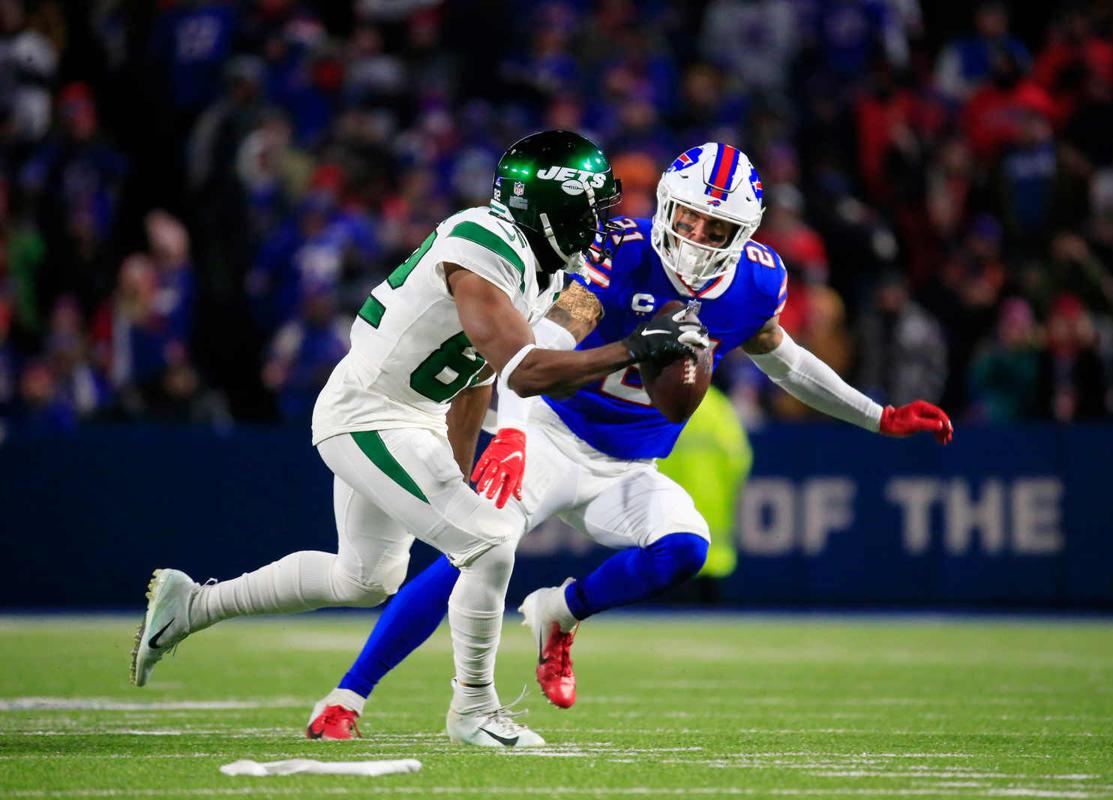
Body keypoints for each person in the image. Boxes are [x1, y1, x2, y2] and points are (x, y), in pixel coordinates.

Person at [303, 143, 954, 740]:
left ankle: (560, 613)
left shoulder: (757, 282)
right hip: (555, 433)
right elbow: (538, 349)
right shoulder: (619, 248)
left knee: (685, 549)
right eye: (688, 218)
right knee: (471, 550)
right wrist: (514, 436)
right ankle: (347, 696)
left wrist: (880, 416)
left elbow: (786, 362)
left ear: (743, 235)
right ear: (667, 206)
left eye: (715, 227)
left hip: (630, 462)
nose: (696, 237)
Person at [129, 130, 709, 750]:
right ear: (549, 206)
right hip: (371, 413)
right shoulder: (485, 240)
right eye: (590, 208)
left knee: (364, 581)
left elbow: (476, 380)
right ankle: (473, 710)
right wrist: (634, 347)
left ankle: (191, 606)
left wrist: (463, 467)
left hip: (418, 417)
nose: (599, 225)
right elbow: (526, 369)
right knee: (489, 542)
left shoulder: (538, 274)